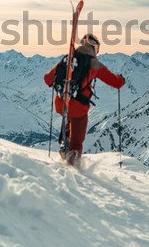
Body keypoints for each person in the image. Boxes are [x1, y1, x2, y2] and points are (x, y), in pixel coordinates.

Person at [44, 33, 125, 166]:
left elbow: (47, 79)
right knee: (77, 139)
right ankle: (73, 166)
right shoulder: (94, 63)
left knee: (68, 119)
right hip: (78, 106)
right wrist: (121, 79)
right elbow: (115, 82)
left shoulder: (68, 59)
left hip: (61, 102)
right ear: (95, 48)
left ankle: (64, 147)